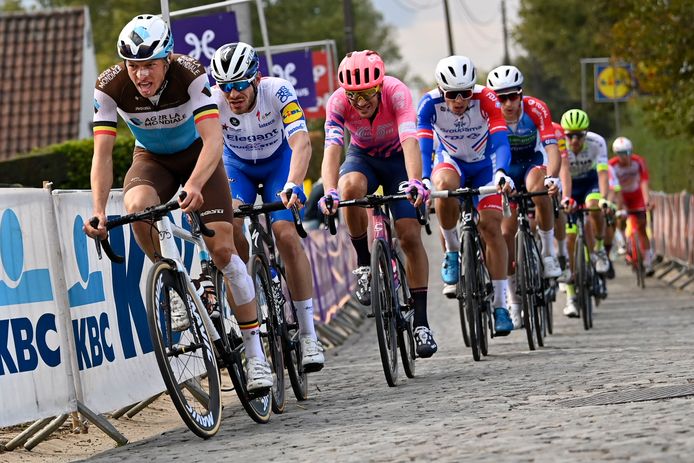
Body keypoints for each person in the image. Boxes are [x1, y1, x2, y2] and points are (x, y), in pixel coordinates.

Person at [84, 15, 271, 391]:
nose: (140, 74)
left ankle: (256, 355)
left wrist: (198, 184)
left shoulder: (191, 74)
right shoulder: (109, 86)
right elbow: (102, 155)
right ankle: (170, 283)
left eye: (149, 64)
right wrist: (100, 210)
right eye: (133, 66)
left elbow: (214, 140)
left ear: (167, 58)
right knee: (137, 205)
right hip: (152, 159)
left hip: (199, 156)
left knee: (221, 248)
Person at [209, 42, 324, 372]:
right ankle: (254, 347)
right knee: (229, 237)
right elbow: (209, 152)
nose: (232, 94)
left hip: (279, 164)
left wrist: (293, 183)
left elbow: (301, 142)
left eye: (240, 84)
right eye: (226, 86)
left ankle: (308, 333)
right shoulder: (214, 101)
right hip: (238, 167)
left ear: (256, 78)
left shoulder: (278, 91)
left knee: (285, 233)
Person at [319, 50, 438, 357]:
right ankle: (362, 263)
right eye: (354, 95)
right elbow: (332, 149)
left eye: (368, 93)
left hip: (399, 159)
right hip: (364, 159)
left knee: (409, 234)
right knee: (349, 189)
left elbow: (411, 140)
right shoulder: (337, 102)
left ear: (379, 85)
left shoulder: (396, 92)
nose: (361, 102)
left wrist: (416, 181)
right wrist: (330, 191)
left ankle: (422, 323)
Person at [418, 55, 514, 335]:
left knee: (492, 227)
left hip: (485, 166)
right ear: (440, 90)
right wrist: (424, 178)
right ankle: (451, 250)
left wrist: (501, 173)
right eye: (452, 94)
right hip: (453, 163)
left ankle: (500, 305)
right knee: (442, 184)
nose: (460, 100)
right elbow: (424, 147)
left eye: (466, 93)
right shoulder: (428, 104)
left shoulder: (486, 99)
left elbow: (499, 141)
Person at [486, 65, 566, 328]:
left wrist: (553, 175)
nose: (507, 103)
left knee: (540, 189)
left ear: (521, 94)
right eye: (501, 98)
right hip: (505, 169)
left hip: (532, 162)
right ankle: (513, 300)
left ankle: (547, 253)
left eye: (513, 96)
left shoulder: (536, 108)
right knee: (506, 233)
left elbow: (552, 148)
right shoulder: (486, 114)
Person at [559, 109, 610, 317]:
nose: (574, 140)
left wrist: (605, 198)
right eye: (569, 135)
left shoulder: (597, 143)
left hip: (590, 183)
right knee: (569, 237)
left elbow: (603, 173)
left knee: (595, 205)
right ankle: (571, 295)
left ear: (586, 133)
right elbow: (562, 172)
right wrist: (565, 198)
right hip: (569, 186)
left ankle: (598, 248)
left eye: (578, 135)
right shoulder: (559, 143)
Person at [608, 136, 654, 275]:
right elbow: (614, 187)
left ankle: (647, 261)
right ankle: (623, 243)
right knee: (619, 218)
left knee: (641, 227)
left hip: (636, 195)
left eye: (627, 153)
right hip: (620, 195)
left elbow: (644, 181)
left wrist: (647, 200)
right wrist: (619, 207)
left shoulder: (638, 161)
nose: (625, 157)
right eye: (621, 154)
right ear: (616, 154)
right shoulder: (612, 165)